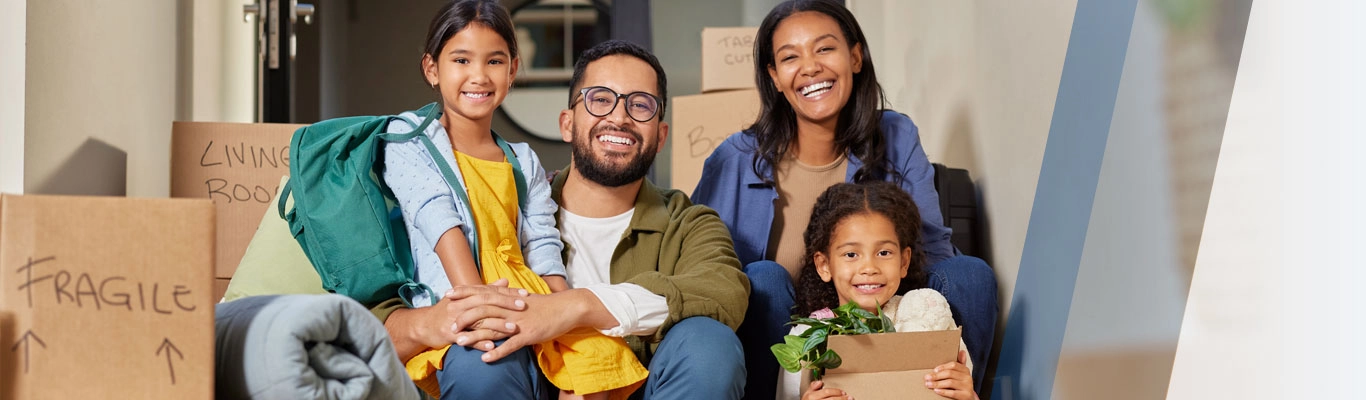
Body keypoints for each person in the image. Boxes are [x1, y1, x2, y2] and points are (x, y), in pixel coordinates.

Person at [380, 39, 751, 399]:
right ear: (567, 123)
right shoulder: (497, 205)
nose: (619, 117)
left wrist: (575, 307)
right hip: (515, 383)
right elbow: (371, 326)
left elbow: (725, 292)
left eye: (640, 105)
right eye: (600, 99)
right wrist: (437, 320)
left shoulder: (689, 224)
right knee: (476, 358)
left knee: (710, 344)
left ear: (661, 135)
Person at [690, 0, 998, 397]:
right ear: (774, 76)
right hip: (781, 342)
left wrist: (904, 322)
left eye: (824, 48)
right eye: (790, 57)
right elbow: (703, 269)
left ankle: (957, 392)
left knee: (967, 274)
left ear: (855, 57)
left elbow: (932, 252)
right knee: (763, 278)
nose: (810, 67)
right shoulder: (733, 159)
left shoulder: (896, 135)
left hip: (887, 317)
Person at [381, 2, 645, 399]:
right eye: (461, 60)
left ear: (512, 71)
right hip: (464, 296)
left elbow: (542, 244)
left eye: (494, 61)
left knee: (596, 357)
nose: (479, 75)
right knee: (490, 365)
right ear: (432, 69)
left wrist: (562, 314)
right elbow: (439, 222)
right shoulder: (409, 139)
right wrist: (478, 307)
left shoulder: (522, 159)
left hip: (525, 296)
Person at [777, 182, 974, 400]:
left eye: (884, 253)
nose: (869, 268)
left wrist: (968, 395)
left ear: (904, 262)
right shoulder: (805, 337)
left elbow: (960, 386)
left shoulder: (929, 315)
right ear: (824, 265)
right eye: (851, 254)